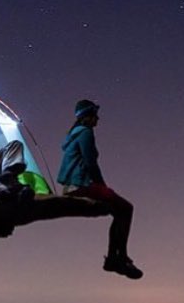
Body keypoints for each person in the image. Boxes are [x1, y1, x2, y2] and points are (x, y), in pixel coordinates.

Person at [58, 99, 143, 279]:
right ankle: (117, 258)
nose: (98, 119)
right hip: (81, 186)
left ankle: (116, 258)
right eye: (94, 115)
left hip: (72, 185)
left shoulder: (74, 134)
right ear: (86, 117)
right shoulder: (86, 133)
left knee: (119, 210)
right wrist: (102, 186)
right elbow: (91, 163)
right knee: (126, 208)